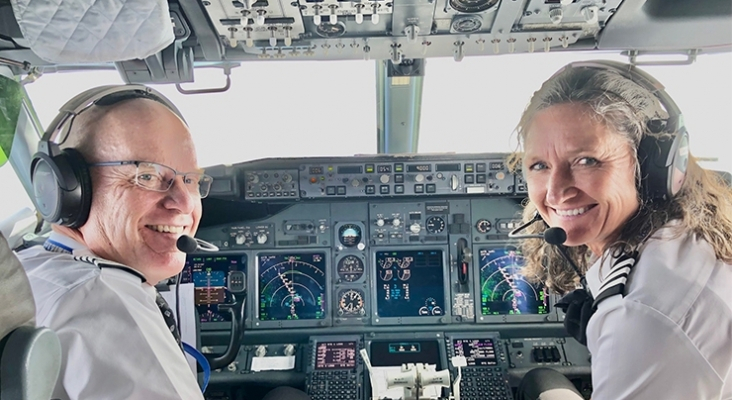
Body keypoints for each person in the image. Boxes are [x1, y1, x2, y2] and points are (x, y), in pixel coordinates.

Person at [18, 85, 310, 400]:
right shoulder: (104, 302)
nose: (184, 202)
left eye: (191, 180)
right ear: (69, 189)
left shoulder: (31, 265)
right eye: (148, 176)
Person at [509, 61, 732, 399]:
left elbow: (647, 323)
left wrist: (617, 325)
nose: (555, 193)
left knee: (539, 381)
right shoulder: (691, 236)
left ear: (652, 167)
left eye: (587, 160)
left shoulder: (642, 316)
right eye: (540, 165)